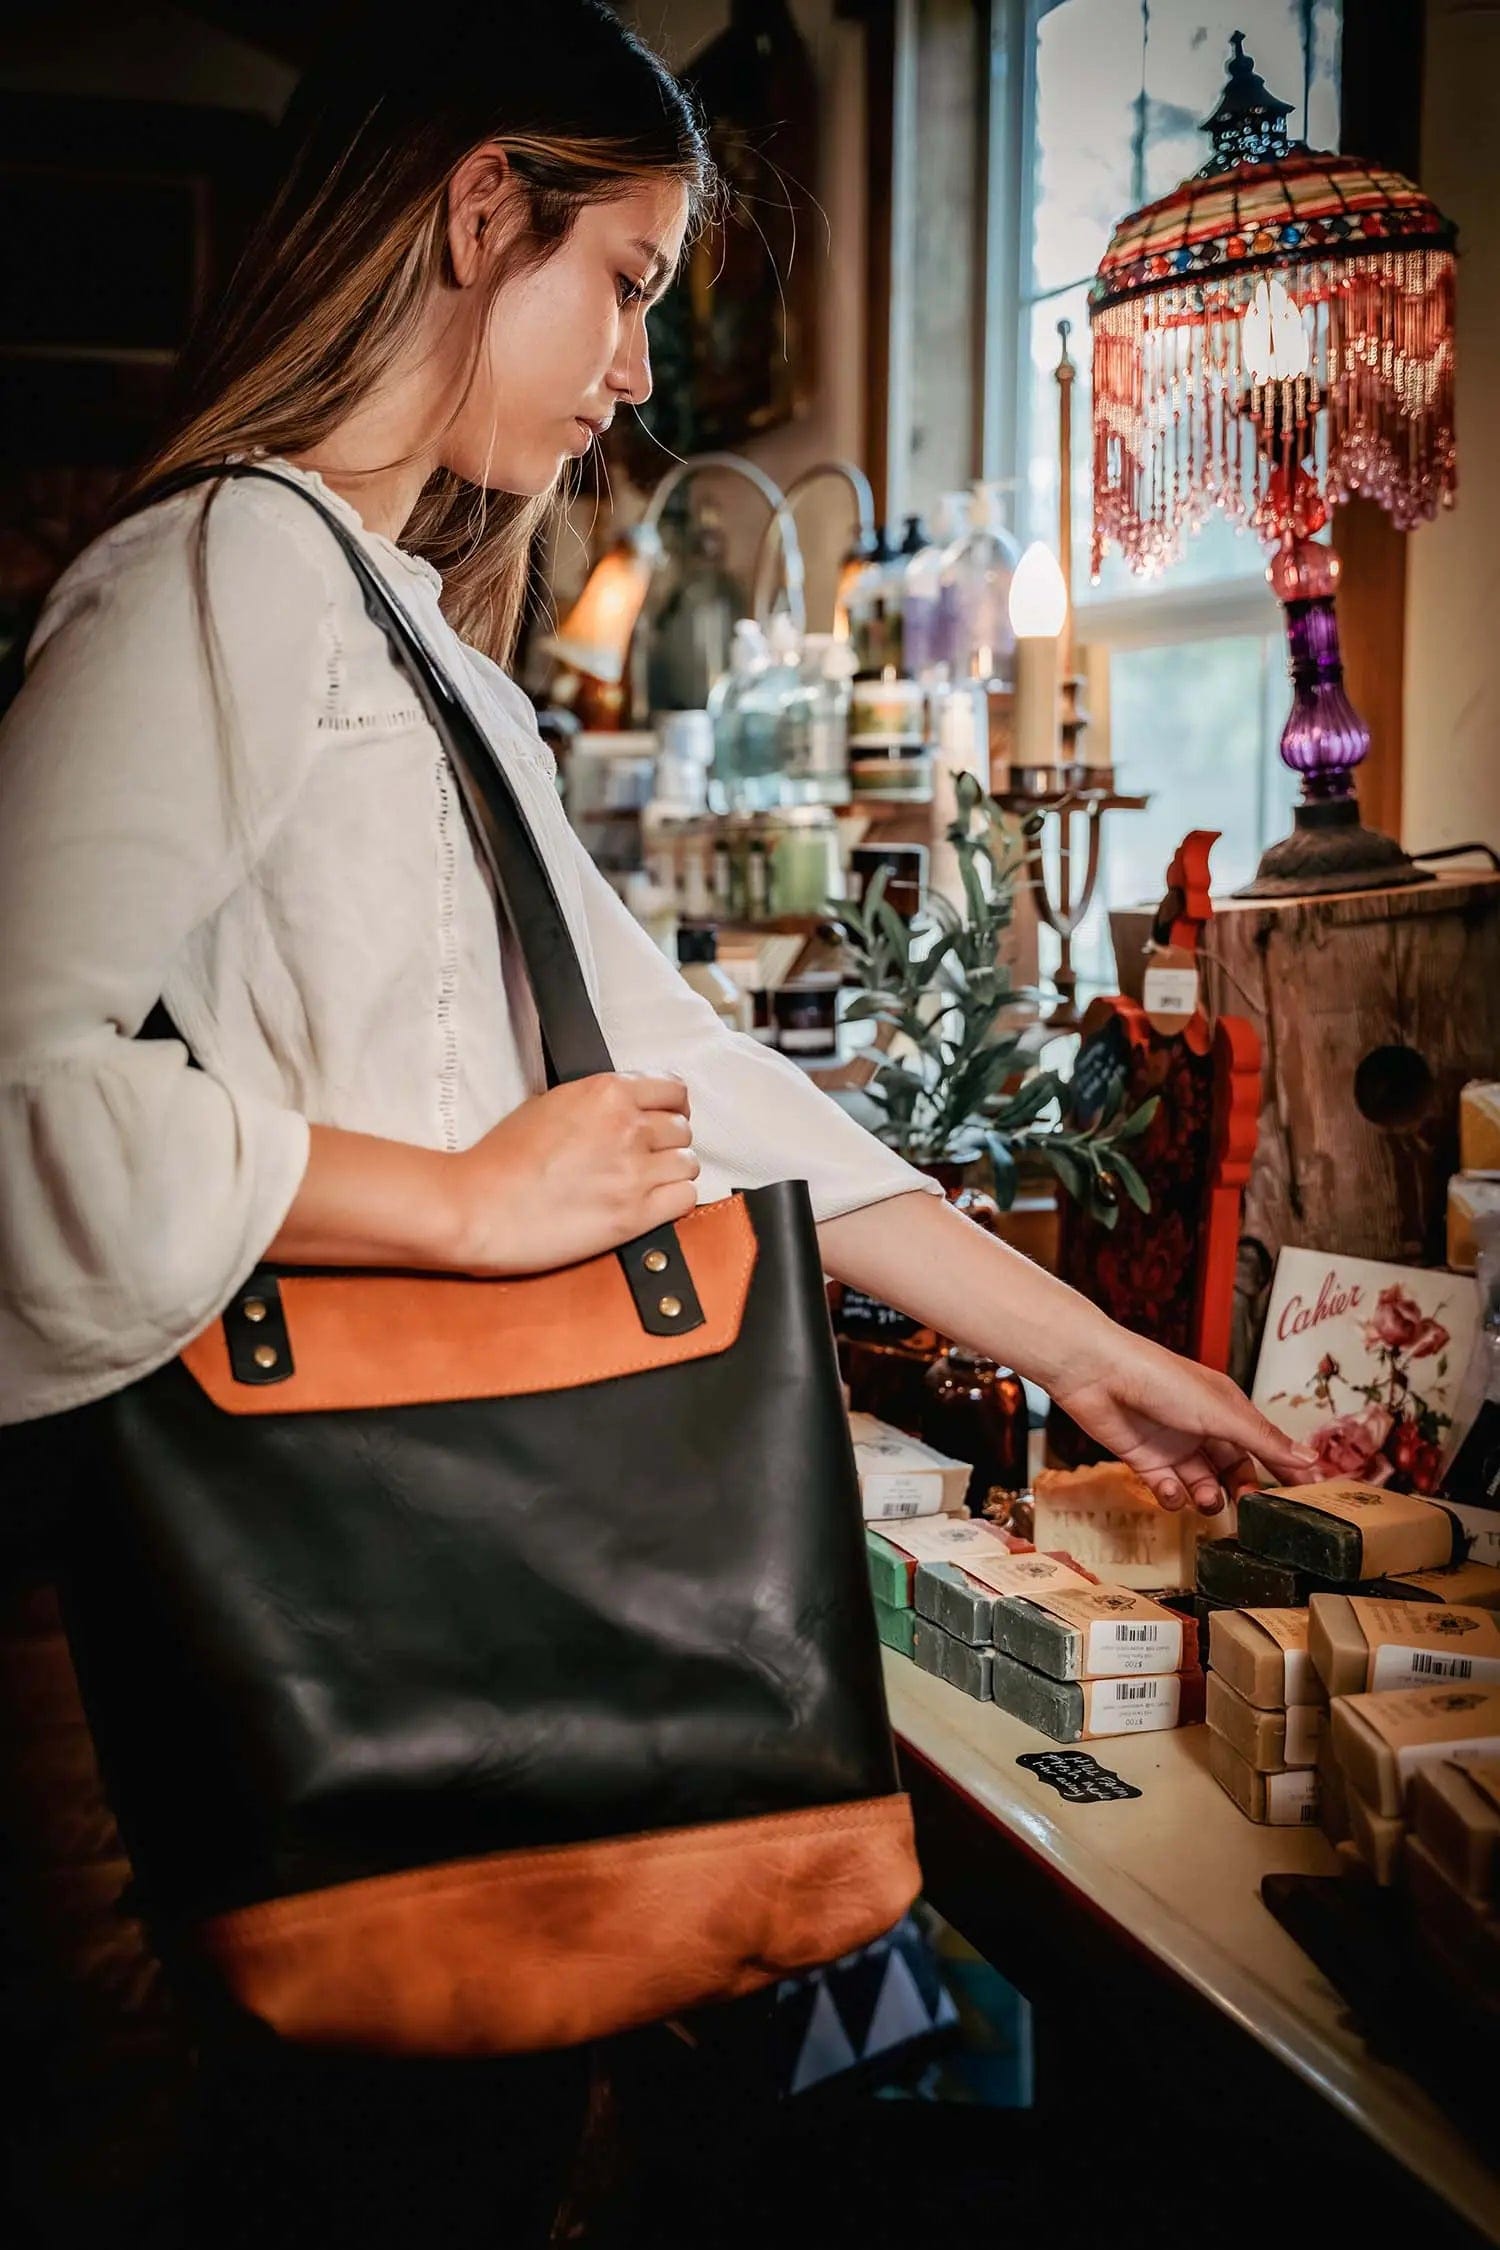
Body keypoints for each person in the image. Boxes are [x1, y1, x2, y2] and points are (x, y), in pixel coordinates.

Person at [0, 2, 1316, 2241]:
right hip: (283, 1629)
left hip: (428, 1610)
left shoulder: (396, 629)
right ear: (472, 206)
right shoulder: (219, 579)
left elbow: (718, 1094)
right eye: (621, 278)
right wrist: (468, 1200)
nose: (634, 367)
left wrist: (1090, 1356)